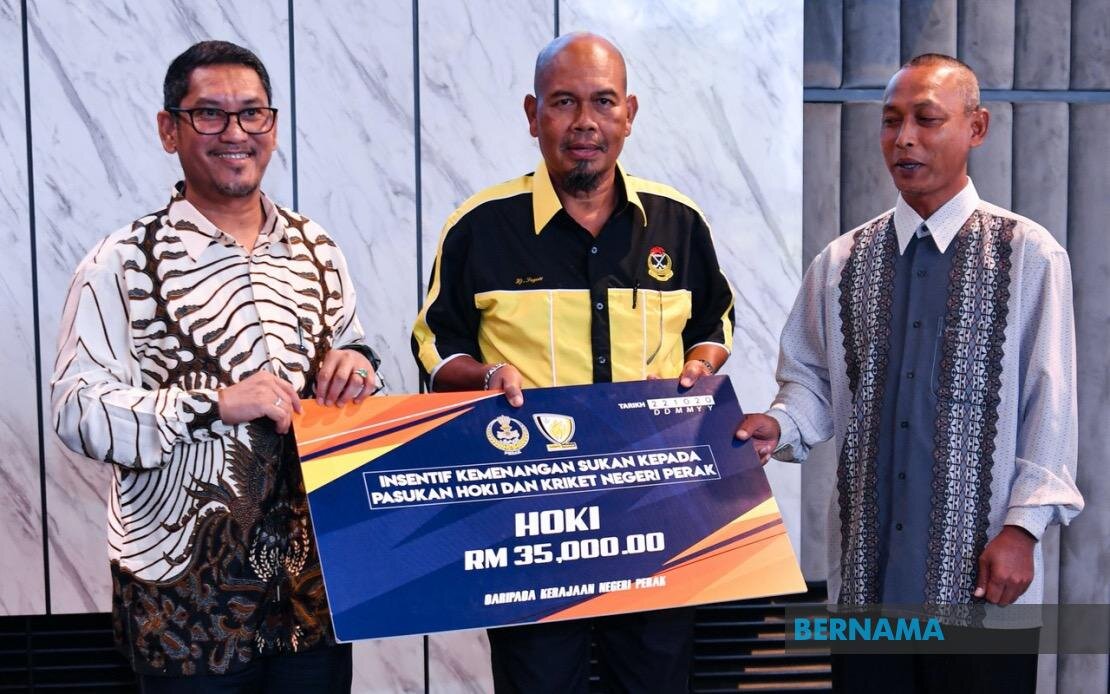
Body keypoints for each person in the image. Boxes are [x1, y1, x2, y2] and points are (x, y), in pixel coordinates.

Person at [737, 54, 1083, 692]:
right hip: (867, 582)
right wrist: (778, 425)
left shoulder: (1028, 255)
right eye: (891, 121)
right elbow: (813, 384)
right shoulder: (841, 261)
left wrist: (1022, 529)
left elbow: (1050, 403)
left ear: (976, 127)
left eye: (927, 120)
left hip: (981, 586)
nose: (904, 139)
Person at [51, 40, 380, 692]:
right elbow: (76, 410)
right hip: (183, 601)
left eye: (252, 113)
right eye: (209, 114)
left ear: (273, 127)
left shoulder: (317, 248)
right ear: (168, 129)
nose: (235, 133)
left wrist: (358, 363)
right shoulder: (120, 262)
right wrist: (212, 405)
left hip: (312, 593)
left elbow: (354, 351)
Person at [412, 32, 735, 694]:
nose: (585, 122)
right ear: (533, 115)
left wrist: (701, 365)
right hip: (531, 525)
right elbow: (436, 346)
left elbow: (714, 321)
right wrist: (485, 376)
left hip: (656, 513)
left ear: (629, 114)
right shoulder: (480, 226)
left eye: (603, 102)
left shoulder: (678, 223)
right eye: (563, 102)